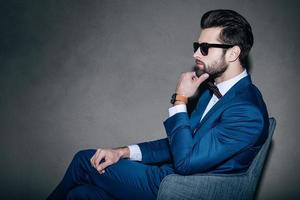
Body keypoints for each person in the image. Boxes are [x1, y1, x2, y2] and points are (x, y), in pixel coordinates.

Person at [47, 9, 269, 200]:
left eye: (204, 47)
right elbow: (179, 143)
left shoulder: (247, 111)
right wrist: (122, 152)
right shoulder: (214, 91)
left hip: (181, 188)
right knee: (82, 194)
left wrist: (180, 99)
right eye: (196, 45)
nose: (194, 53)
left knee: (84, 160)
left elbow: (185, 162)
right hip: (169, 177)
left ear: (233, 53)